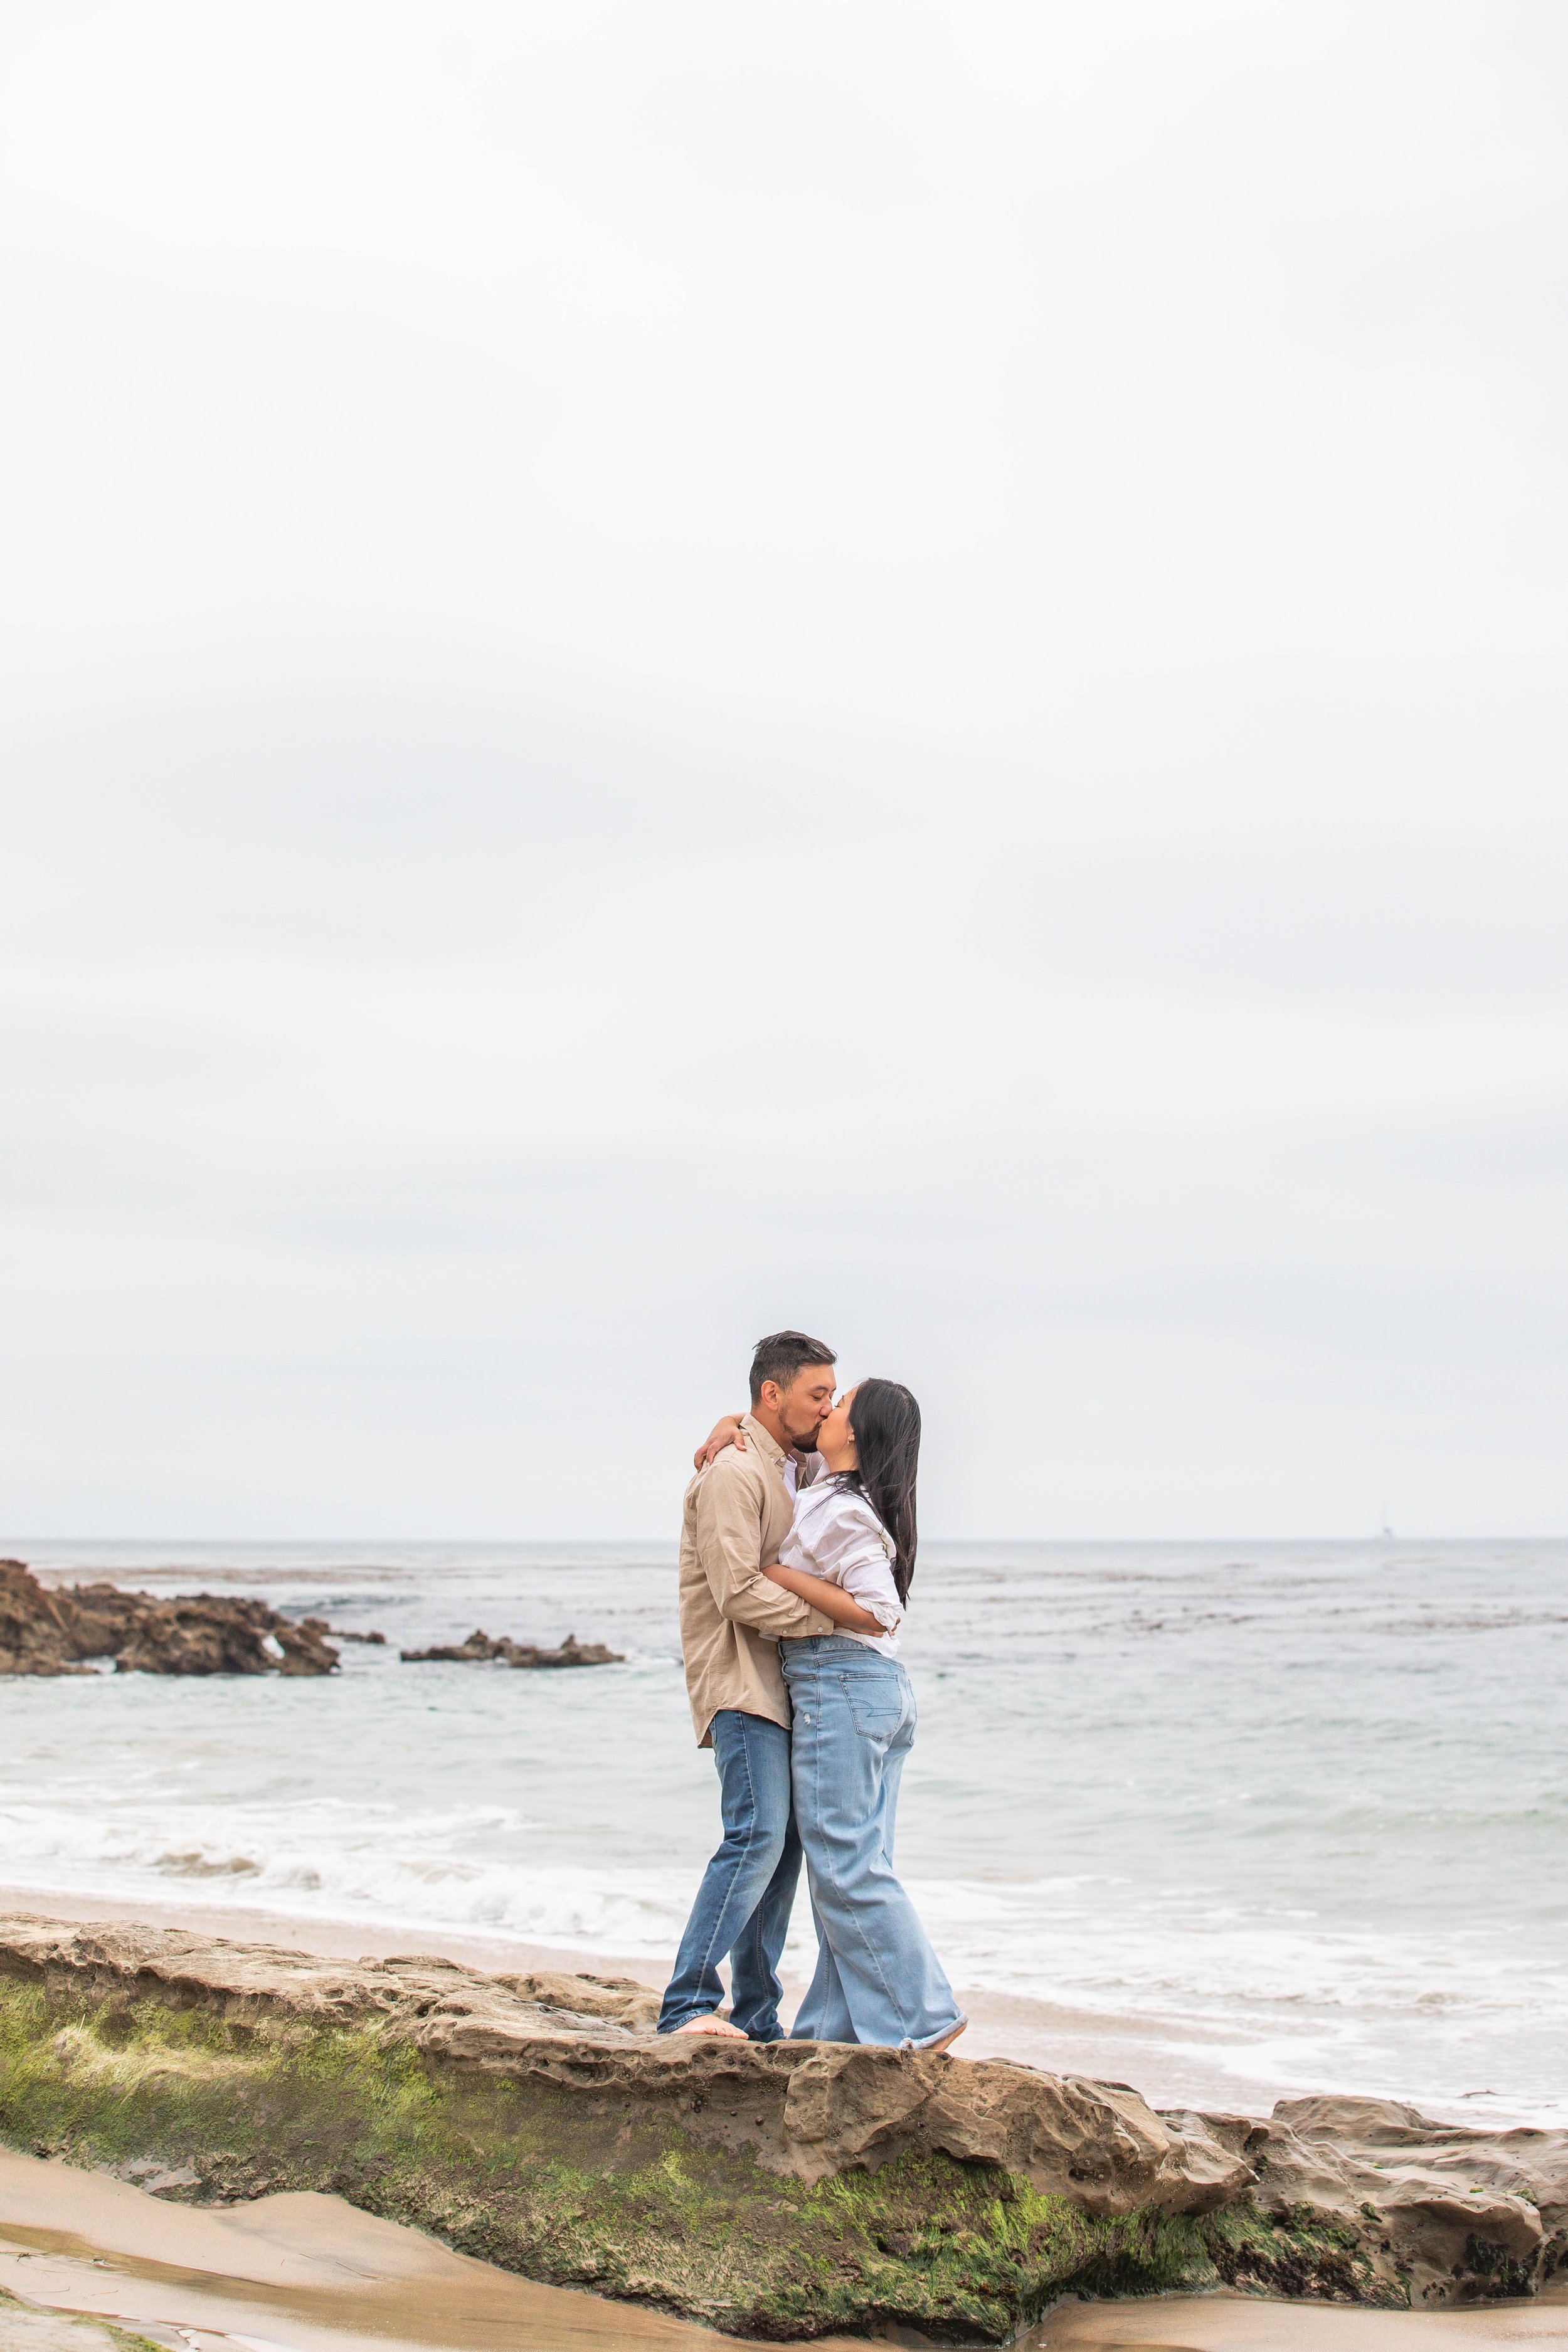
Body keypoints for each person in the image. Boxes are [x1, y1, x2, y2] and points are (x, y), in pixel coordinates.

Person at [657, 1330, 887, 2040]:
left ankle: (757, 2019)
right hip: (740, 1681)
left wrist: (730, 1420)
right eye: (817, 1394)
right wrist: (834, 1623)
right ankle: (688, 2005)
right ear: (771, 1393)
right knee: (755, 1836)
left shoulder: (788, 1464)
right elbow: (736, 1592)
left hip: (784, 1687)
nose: (826, 1411)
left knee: (783, 1849)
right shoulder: (734, 1472)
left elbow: (869, 1446)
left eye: (830, 1398)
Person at [763, 1378, 967, 2052]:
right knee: (851, 1864)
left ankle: (923, 2016)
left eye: (839, 1404)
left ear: (855, 1433)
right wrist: (721, 1426)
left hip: (842, 1682)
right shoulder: (830, 1486)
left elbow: (881, 1610)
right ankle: (831, 2030)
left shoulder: (845, 1511)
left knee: (846, 1866)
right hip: (870, 1690)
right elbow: (766, 1430)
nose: (826, 1410)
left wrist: (780, 1576)